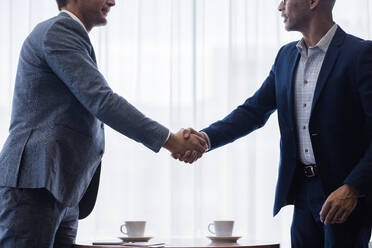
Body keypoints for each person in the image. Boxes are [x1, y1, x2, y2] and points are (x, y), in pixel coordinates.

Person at [0, 0, 206, 247]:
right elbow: (102, 101)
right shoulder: (58, 31)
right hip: (35, 184)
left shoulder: (70, 36)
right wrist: (171, 141)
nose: (113, 1)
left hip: (60, 190)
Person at [175, 0, 372, 247]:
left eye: (285, 0)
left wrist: (353, 187)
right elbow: (253, 111)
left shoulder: (360, 54)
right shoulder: (286, 57)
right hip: (302, 193)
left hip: (343, 199)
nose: (280, 7)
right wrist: (205, 138)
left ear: (312, 2)